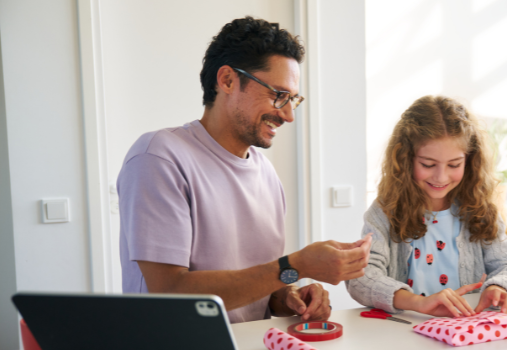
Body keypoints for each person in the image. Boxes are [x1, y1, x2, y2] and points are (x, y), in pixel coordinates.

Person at [117, 17, 372, 324]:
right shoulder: (159, 157)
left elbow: (262, 290)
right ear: (227, 80)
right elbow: (170, 292)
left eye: (293, 99)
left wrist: (291, 297)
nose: (288, 115)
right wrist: (297, 265)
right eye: (278, 95)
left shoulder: (266, 174)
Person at [346, 96, 507, 317]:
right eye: (428, 164)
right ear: (406, 159)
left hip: (465, 331)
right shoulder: (384, 212)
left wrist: (499, 286)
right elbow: (360, 278)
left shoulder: (478, 209)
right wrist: (416, 302)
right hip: (405, 332)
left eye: (454, 164)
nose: (441, 176)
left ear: (469, 161)